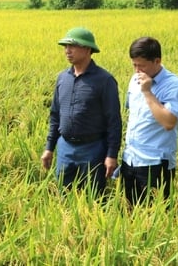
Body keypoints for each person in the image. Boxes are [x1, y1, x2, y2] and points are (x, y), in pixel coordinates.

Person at [41, 27, 121, 196]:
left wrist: (111, 155)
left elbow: (113, 121)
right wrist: (49, 148)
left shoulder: (104, 81)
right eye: (65, 47)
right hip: (65, 148)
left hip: (93, 149)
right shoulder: (63, 78)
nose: (67, 51)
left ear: (87, 49)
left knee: (94, 197)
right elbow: (55, 115)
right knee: (63, 196)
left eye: (73, 46)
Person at [121, 37, 178, 205]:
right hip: (130, 159)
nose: (137, 70)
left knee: (155, 217)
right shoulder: (135, 80)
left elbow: (169, 122)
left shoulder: (173, 85)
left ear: (157, 61)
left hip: (155, 163)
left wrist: (148, 92)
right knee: (129, 211)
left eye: (141, 65)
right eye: (134, 65)